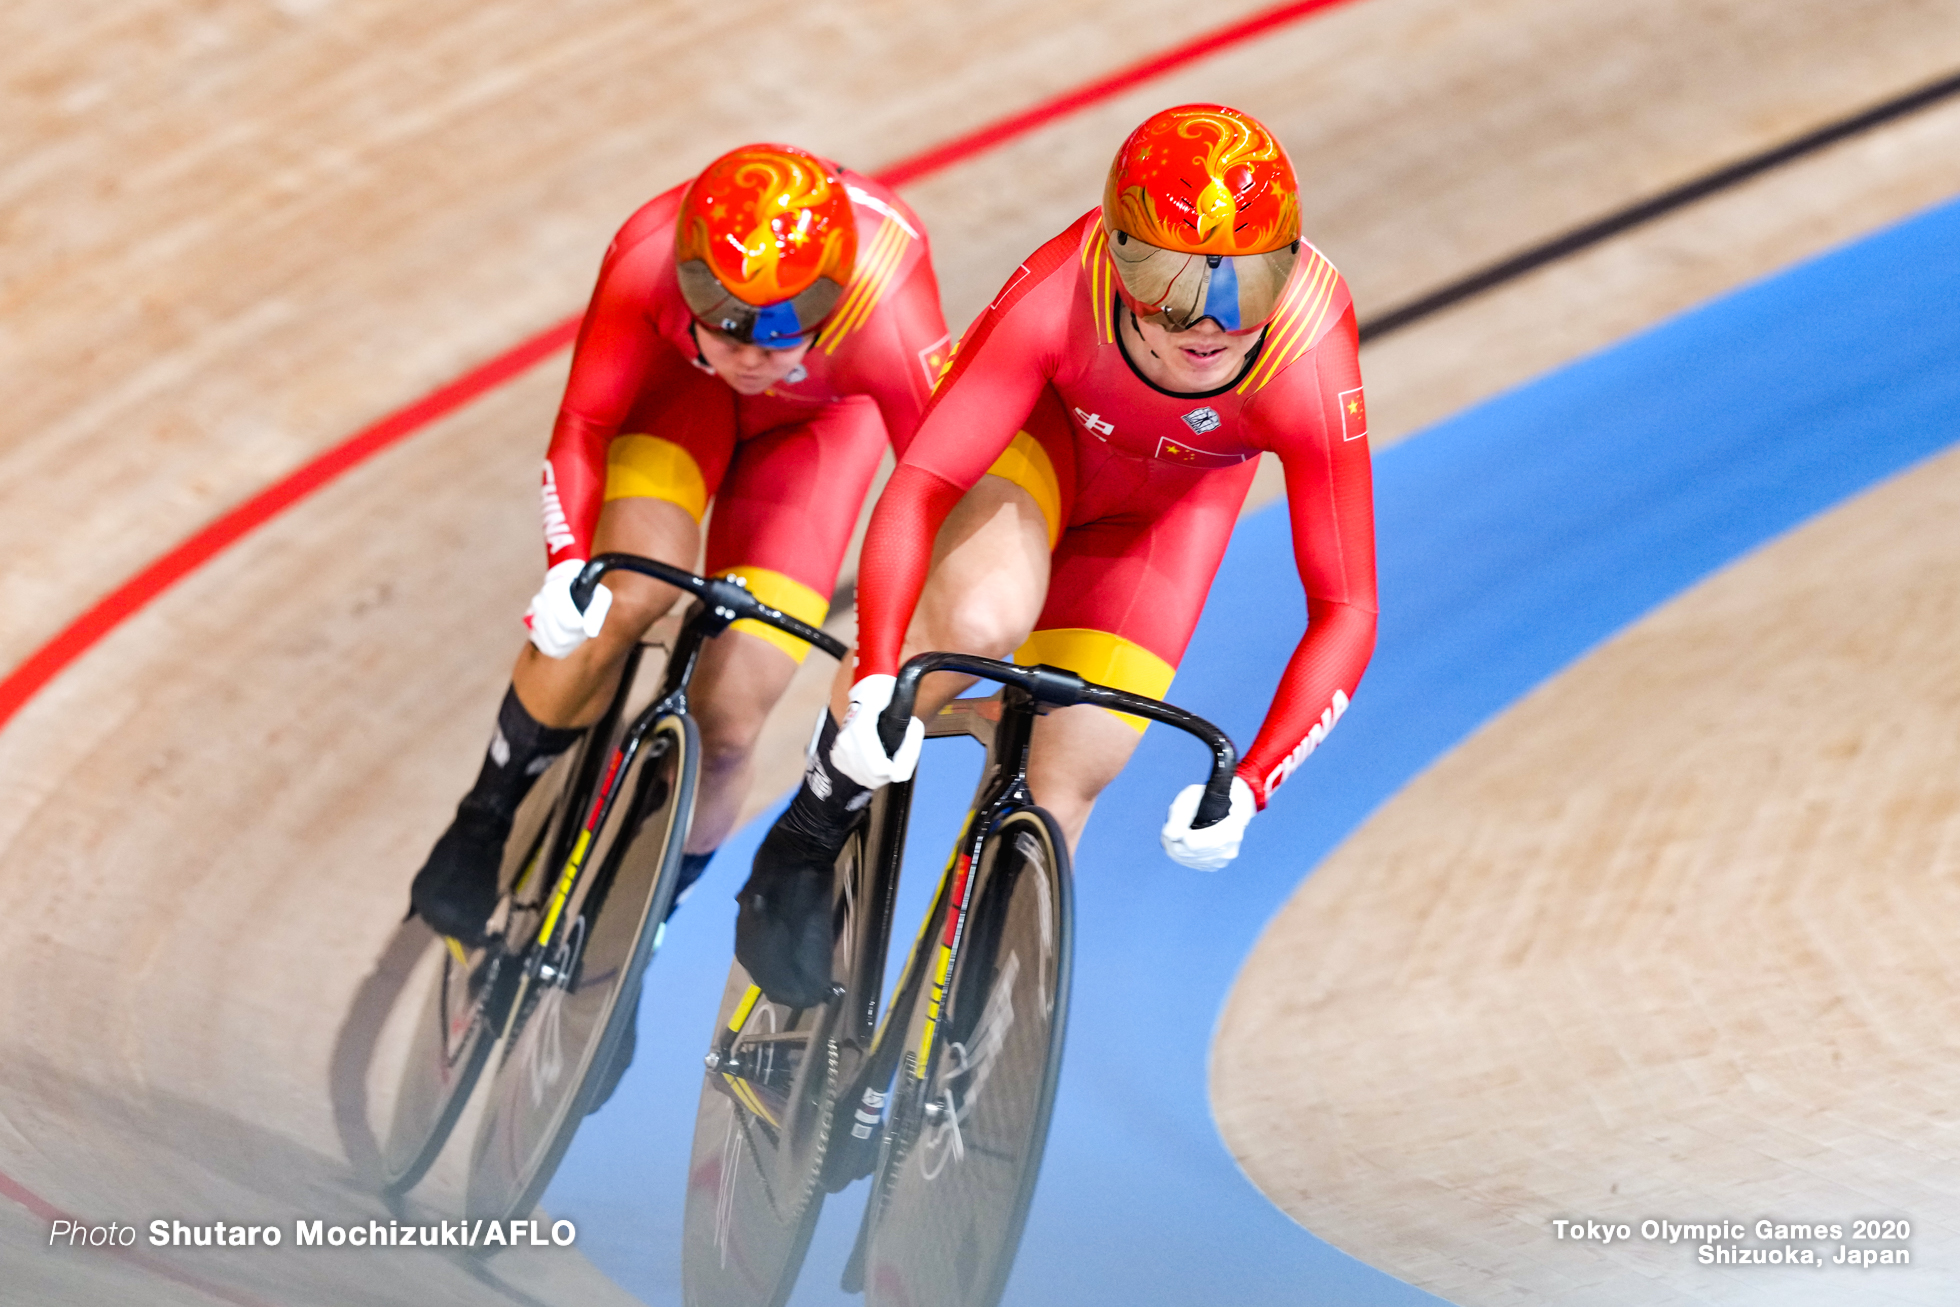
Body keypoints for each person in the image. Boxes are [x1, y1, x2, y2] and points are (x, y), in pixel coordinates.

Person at [737, 104, 1377, 1008]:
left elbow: (1348, 608)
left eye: (1247, 282)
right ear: (1118, 259)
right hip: (1041, 455)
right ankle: (806, 831)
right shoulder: (1057, 291)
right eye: (1173, 281)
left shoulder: (1308, 350)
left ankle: (956, 1053)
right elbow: (918, 484)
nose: (1211, 323)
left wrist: (1253, 784)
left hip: (1166, 519)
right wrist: (880, 666)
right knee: (979, 619)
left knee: (1072, 771)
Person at [411, 143, 950, 946]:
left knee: (732, 720)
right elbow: (584, 425)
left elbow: (935, 495)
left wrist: (885, 660)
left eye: (780, 337)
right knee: (623, 599)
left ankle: (644, 922)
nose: (754, 359)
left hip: (818, 432)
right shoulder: (647, 253)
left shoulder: (892, 299)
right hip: (678, 396)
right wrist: (567, 568)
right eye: (730, 329)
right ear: (692, 282)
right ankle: (485, 813)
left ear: (836, 302)